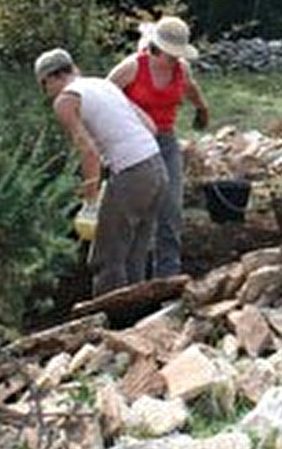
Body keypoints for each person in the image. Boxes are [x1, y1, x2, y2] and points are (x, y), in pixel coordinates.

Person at [35, 48, 168, 297]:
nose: (47, 93)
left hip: (133, 173)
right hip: (157, 168)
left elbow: (89, 152)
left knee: (107, 258)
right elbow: (150, 126)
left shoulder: (65, 100)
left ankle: (110, 324)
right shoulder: (103, 84)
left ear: (51, 78)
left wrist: (91, 197)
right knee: (134, 255)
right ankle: (138, 324)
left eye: (44, 86)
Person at [106, 16, 211, 279]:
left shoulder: (181, 69)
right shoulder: (132, 68)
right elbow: (103, 95)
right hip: (132, 145)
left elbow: (191, 89)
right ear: (157, 49)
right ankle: (131, 278)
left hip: (165, 140)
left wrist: (202, 108)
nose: (175, 59)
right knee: (137, 211)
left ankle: (168, 275)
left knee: (171, 207)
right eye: (171, 54)